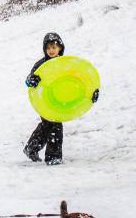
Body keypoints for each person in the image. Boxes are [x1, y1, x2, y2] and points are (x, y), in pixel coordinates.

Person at [23, 32, 99, 165]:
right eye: (48, 48)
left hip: (60, 101)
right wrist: (31, 80)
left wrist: (91, 94)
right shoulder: (41, 65)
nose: (51, 50)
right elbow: (28, 82)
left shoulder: (66, 64)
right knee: (55, 126)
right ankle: (53, 158)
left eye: (54, 47)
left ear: (60, 48)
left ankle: (31, 148)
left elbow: (81, 79)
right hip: (45, 101)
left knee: (48, 126)